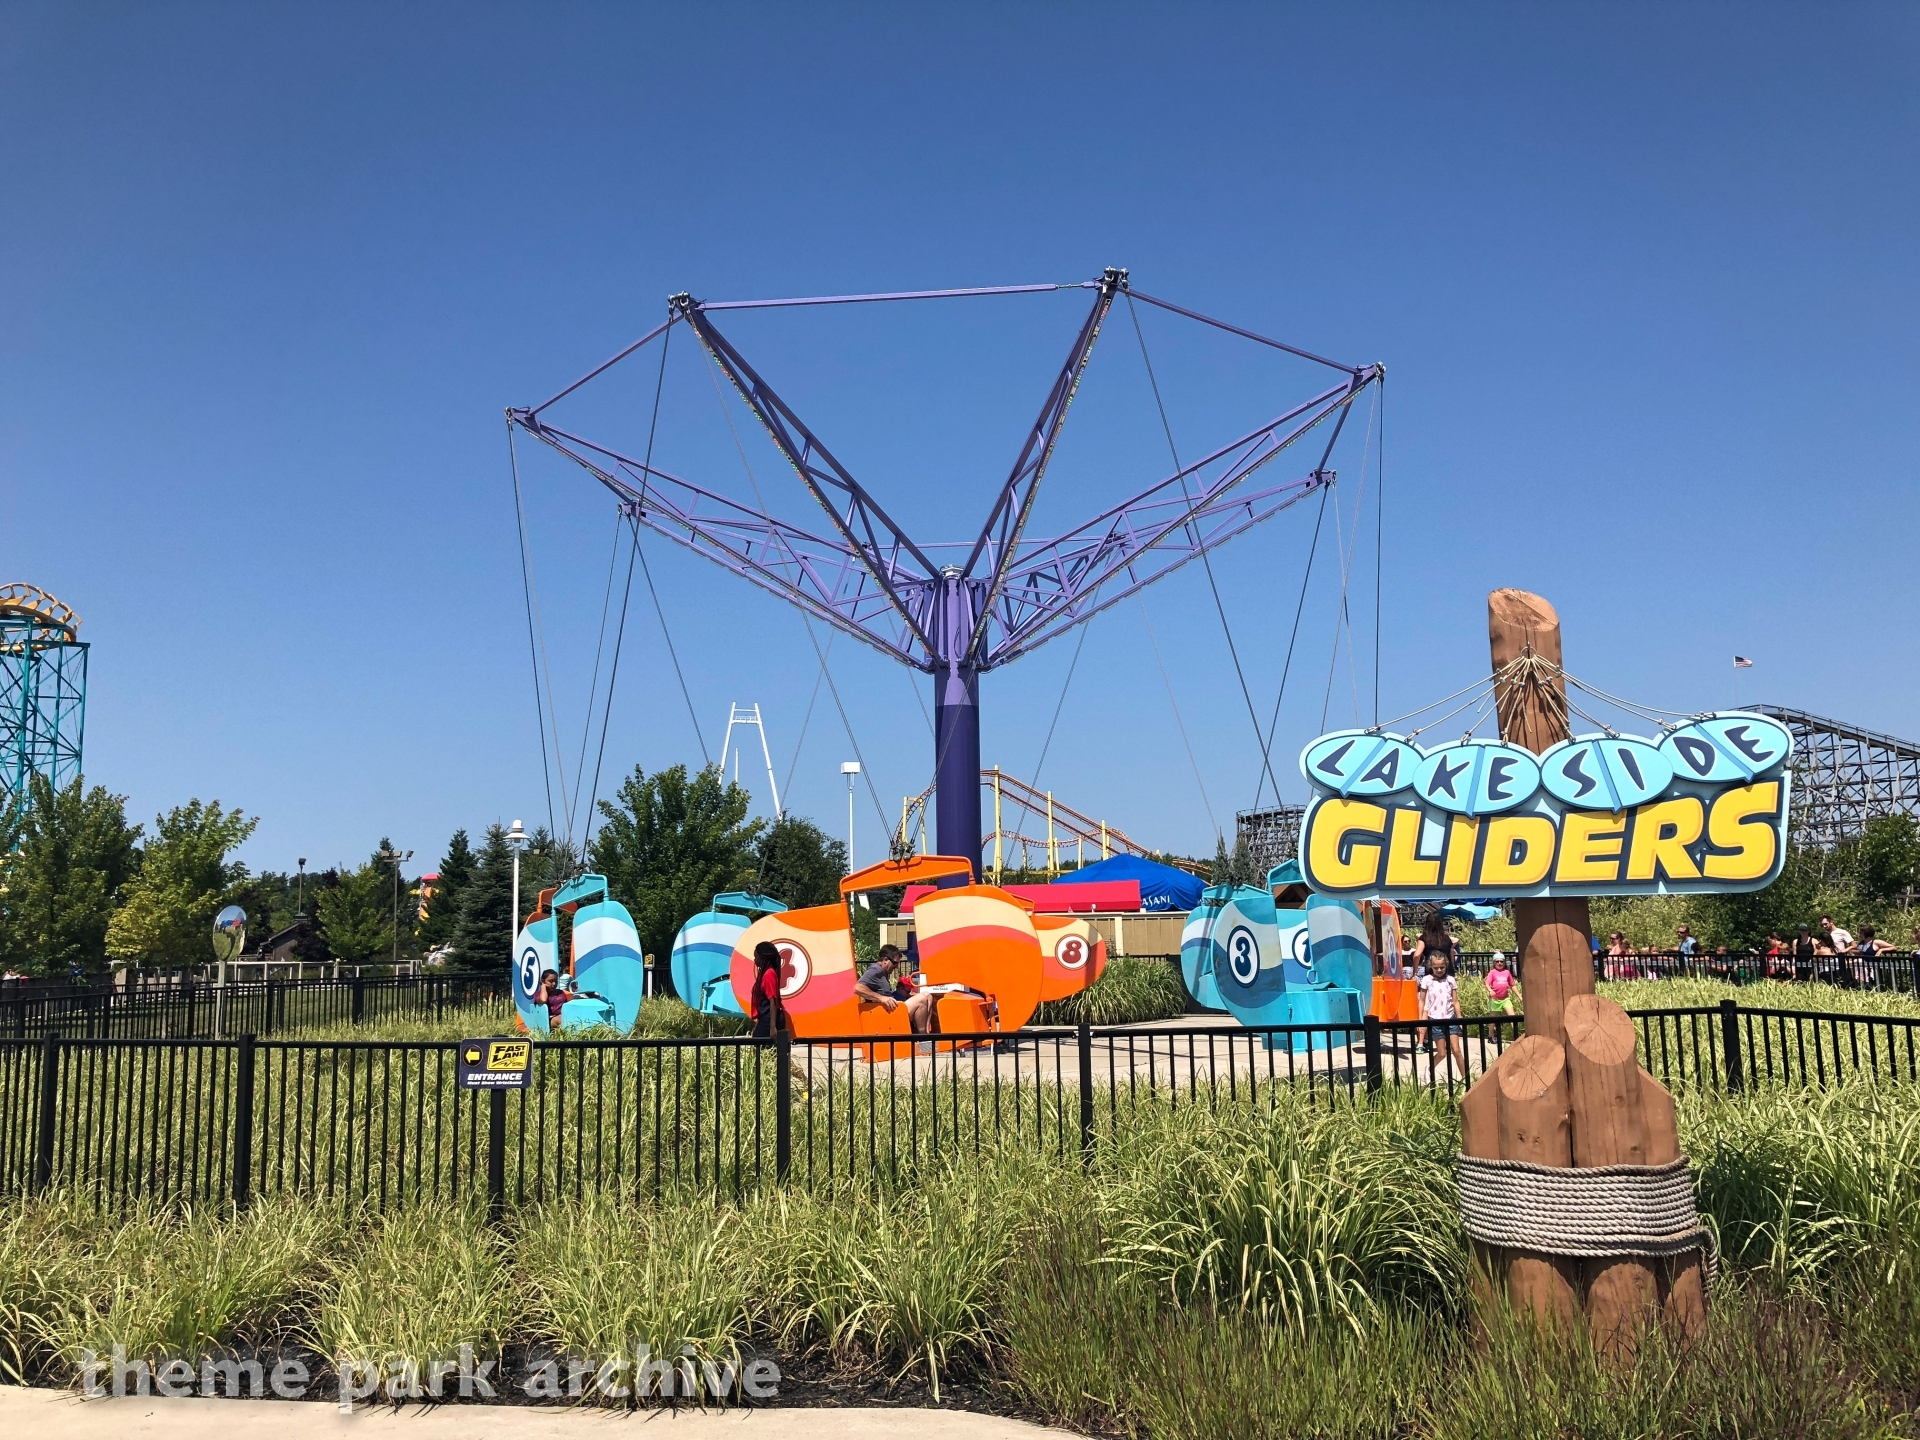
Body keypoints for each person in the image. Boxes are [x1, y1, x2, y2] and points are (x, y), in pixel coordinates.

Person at [855, 945, 939, 1034]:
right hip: (887, 1014)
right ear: (885, 960)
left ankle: (927, 1035)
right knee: (923, 998)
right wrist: (882, 998)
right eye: (895, 963)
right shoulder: (875, 970)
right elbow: (858, 988)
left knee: (928, 996)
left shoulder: (883, 972)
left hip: (891, 1010)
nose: (896, 967)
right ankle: (922, 1037)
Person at [1419, 950, 1467, 1081]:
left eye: (1442, 967)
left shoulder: (1450, 980)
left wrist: (1460, 1018)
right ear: (1431, 967)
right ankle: (1430, 1068)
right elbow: (1422, 1001)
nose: (1439, 970)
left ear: (1446, 966)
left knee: (1457, 1050)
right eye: (1436, 968)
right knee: (1441, 1053)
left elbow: (1455, 1001)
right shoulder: (1427, 980)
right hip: (1435, 1019)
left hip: (1450, 1017)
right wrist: (1421, 1021)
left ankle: (1465, 1078)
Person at [748, 941, 787, 1039]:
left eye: (756, 956)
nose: (754, 960)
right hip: (765, 1018)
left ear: (762, 958)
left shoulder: (769, 974)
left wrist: (772, 1027)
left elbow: (773, 1001)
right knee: (757, 1047)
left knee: (758, 1048)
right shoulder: (765, 973)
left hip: (770, 1019)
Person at [533, 969, 570, 1034]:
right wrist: (543, 987)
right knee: (561, 1019)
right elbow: (543, 1000)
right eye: (551, 981)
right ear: (543, 981)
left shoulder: (560, 992)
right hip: (547, 1020)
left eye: (556, 981)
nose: (554, 984)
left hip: (563, 1016)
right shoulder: (538, 994)